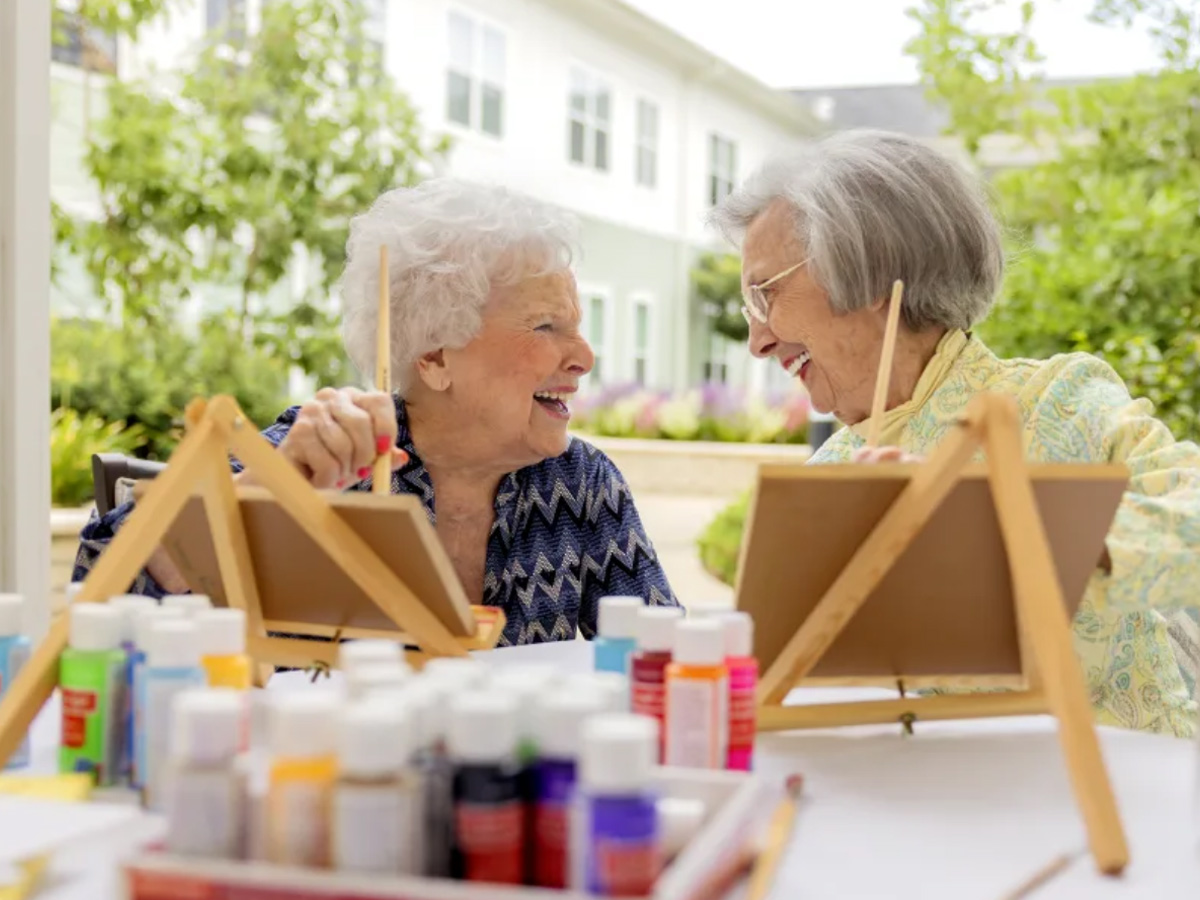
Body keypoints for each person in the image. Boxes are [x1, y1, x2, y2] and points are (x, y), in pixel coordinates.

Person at [708, 128, 1200, 737]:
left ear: (868, 268)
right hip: (924, 812)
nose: (756, 341)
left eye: (764, 294)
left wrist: (987, 528)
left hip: (1123, 801)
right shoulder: (831, 474)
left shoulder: (1062, 401)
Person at [74, 179, 680, 646]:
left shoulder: (580, 485)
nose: (585, 357)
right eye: (547, 326)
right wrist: (262, 489)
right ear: (435, 356)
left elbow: (672, 662)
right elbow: (99, 595)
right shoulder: (329, 449)